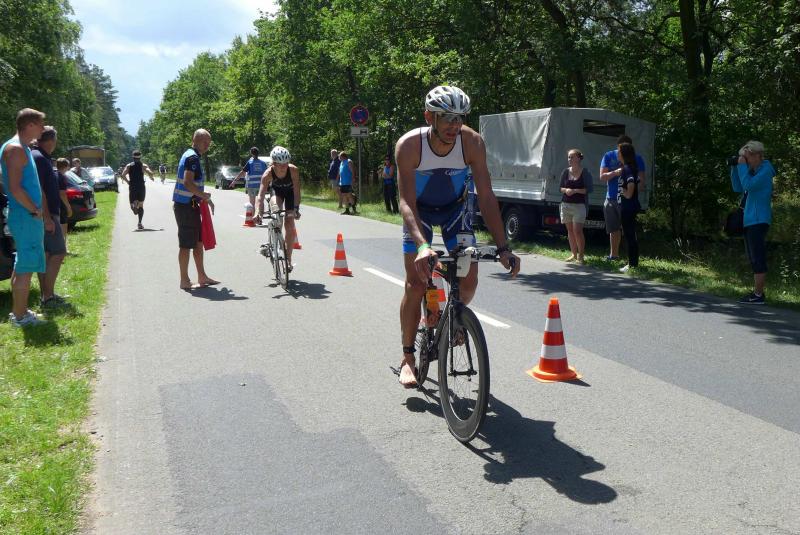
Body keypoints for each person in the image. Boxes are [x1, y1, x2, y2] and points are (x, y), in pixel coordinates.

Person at [395, 85, 520, 387]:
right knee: (415, 283)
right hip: (420, 214)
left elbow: (486, 196)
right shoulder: (409, 146)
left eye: (460, 118)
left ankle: (451, 318)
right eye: (447, 118)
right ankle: (408, 357)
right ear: (430, 117)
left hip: (456, 211)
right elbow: (406, 202)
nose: (454, 125)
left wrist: (503, 247)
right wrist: (422, 246)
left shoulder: (472, 143)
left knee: (469, 280)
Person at [1, 108, 47, 327]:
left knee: (22, 264)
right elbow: (15, 187)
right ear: (29, 125)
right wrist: (34, 210)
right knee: (26, 268)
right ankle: (20, 318)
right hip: (25, 216)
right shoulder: (16, 149)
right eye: (40, 125)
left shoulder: (22, 147)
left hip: (25, 215)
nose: (43, 129)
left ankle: (19, 312)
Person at [173, 129, 219, 290]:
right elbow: (188, 182)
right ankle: (184, 280)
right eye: (205, 142)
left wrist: (205, 199)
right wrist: (203, 196)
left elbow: (194, 185)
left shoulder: (192, 155)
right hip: (185, 207)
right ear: (196, 140)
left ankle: (202, 276)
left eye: (209, 143)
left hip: (191, 205)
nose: (207, 146)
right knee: (186, 244)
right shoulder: (192, 157)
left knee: (198, 242)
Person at [731, 140, 775, 304]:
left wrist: (742, 166)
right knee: (753, 257)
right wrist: (735, 167)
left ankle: (758, 295)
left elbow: (748, 185)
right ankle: (757, 293)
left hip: (758, 219)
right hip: (750, 219)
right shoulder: (753, 171)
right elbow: (738, 187)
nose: (745, 160)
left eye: (746, 157)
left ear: (757, 155)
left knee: (757, 257)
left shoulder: (765, 171)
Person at [30, 126, 67, 306]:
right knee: (59, 252)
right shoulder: (39, 158)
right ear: (51, 141)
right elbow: (39, 190)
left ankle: (46, 295)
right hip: (48, 214)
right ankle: (48, 295)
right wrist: (47, 218)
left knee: (45, 254)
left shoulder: (39, 156)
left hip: (46, 213)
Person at [599, 135, 646, 261]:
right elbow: (602, 176)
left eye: (622, 150)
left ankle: (631, 261)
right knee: (614, 228)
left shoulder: (633, 164)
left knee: (628, 231)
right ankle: (614, 256)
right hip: (611, 198)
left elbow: (640, 182)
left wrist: (629, 194)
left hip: (626, 202)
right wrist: (616, 173)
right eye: (620, 149)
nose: (619, 153)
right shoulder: (609, 156)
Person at [254, 146, 301, 269]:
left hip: (290, 194)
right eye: (280, 164)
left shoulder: (293, 170)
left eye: (286, 163)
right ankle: (272, 241)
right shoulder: (268, 174)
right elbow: (260, 195)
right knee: (276, 211)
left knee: (290, 225)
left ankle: (288, 259)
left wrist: (296, 208)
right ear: (274, 163)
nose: (284, 167)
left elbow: (297, 192)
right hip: (277, 193)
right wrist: (258, 212)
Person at [559, 149, 590, 264]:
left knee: (577, 230)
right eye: (568, 157)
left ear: (578, 158)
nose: (569, 159)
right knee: (570, 230)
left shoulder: (585, 172)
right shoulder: (565, 172)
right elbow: (560, 188)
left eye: (572, 157)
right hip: (565, 205)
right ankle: (573, 254)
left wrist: (575, 190)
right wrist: (566, 190)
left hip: (579, 206)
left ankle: (581, 256)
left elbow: (588, 189)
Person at [617, 143, 641, 273]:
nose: (617, 153)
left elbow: (631, 183)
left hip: (628, 207)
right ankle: (633, 263)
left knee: (629, 235)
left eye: (618, 151)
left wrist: (627, 193)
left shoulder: (626, 168)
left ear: (623, 154)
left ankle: (632, 264)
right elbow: (638, 183)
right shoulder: (632, 167)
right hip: (630, 206)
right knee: (630, 234)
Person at [121, 150, 154, 230]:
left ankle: (133, 206)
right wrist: (151, 176)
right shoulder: (143, 165)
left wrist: (128, 182)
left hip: (133, 187)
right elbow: (150, 172)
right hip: (141, 187)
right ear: (140, 157)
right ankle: (139, 223)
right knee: (141, 205)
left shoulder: (129, 165)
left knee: (133, 203)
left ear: (133, 157)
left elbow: (123, 175)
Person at [231, 147, 268, 213]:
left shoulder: (250, 162)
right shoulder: (263, 163)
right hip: (261, 186)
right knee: (261, 202)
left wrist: (234, 181)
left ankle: (253, 217)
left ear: (251, 154)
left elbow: (242, 172)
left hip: (251, 186)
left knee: (252, 203)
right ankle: (260, 217)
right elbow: (267, 174)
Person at [55, 158, 73, 252]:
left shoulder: (53, 175)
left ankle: (57, 246)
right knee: (63, 225)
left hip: (53, 203)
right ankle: (63, 247)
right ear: (66, 166)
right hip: (61, 204)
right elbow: (62, 194)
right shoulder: (62, 177)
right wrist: (68, 207)